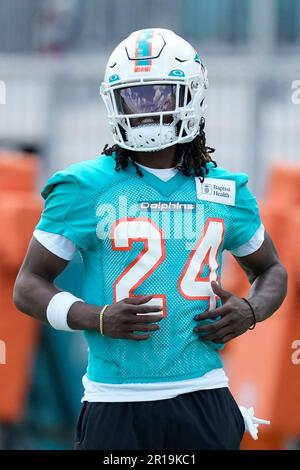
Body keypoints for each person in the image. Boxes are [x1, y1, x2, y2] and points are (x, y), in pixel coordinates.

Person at [13, 28, 287, 450]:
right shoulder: (84, 187)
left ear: (191, 95)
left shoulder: (226, 190)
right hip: (116, 399)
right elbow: (27, 286)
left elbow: (271, 270)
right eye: (133, 98)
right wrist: (98, 316)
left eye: (158, 96)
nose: (144, 112)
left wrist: (251, 310)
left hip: (205, 394)